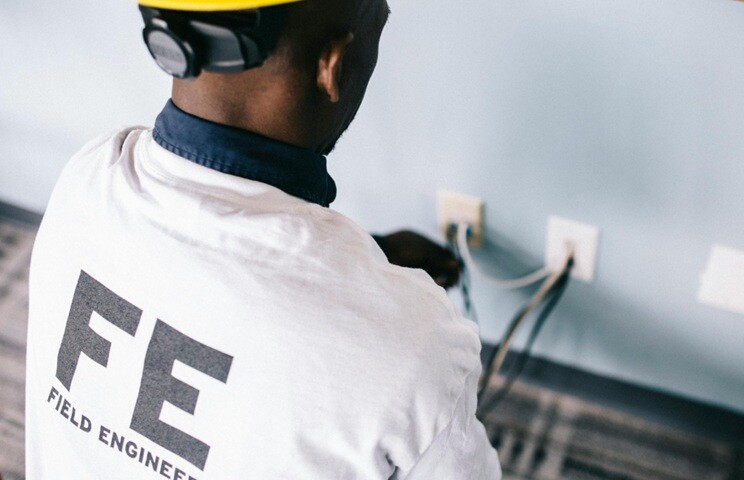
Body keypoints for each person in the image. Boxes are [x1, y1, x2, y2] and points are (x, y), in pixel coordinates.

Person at [25, 0, 502, 478]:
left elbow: (198, 284)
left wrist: (371, 264)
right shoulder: (414, 345)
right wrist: (385, 301)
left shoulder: (87, 179)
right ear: (332, 67)